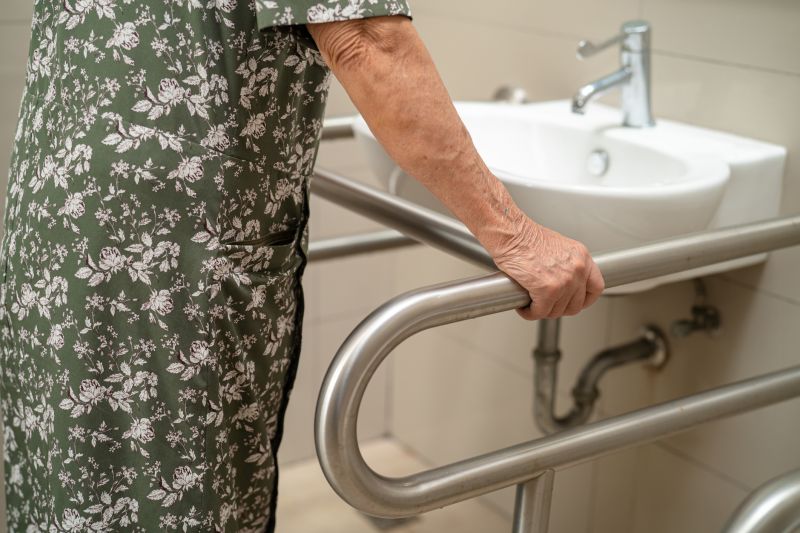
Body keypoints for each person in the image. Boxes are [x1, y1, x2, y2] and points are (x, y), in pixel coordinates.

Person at [0, 0, 603, 531]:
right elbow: (367, 40)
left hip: (53, 230)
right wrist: (516, 235)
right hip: (158, 264)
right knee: (173, 499)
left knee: (74, 486)